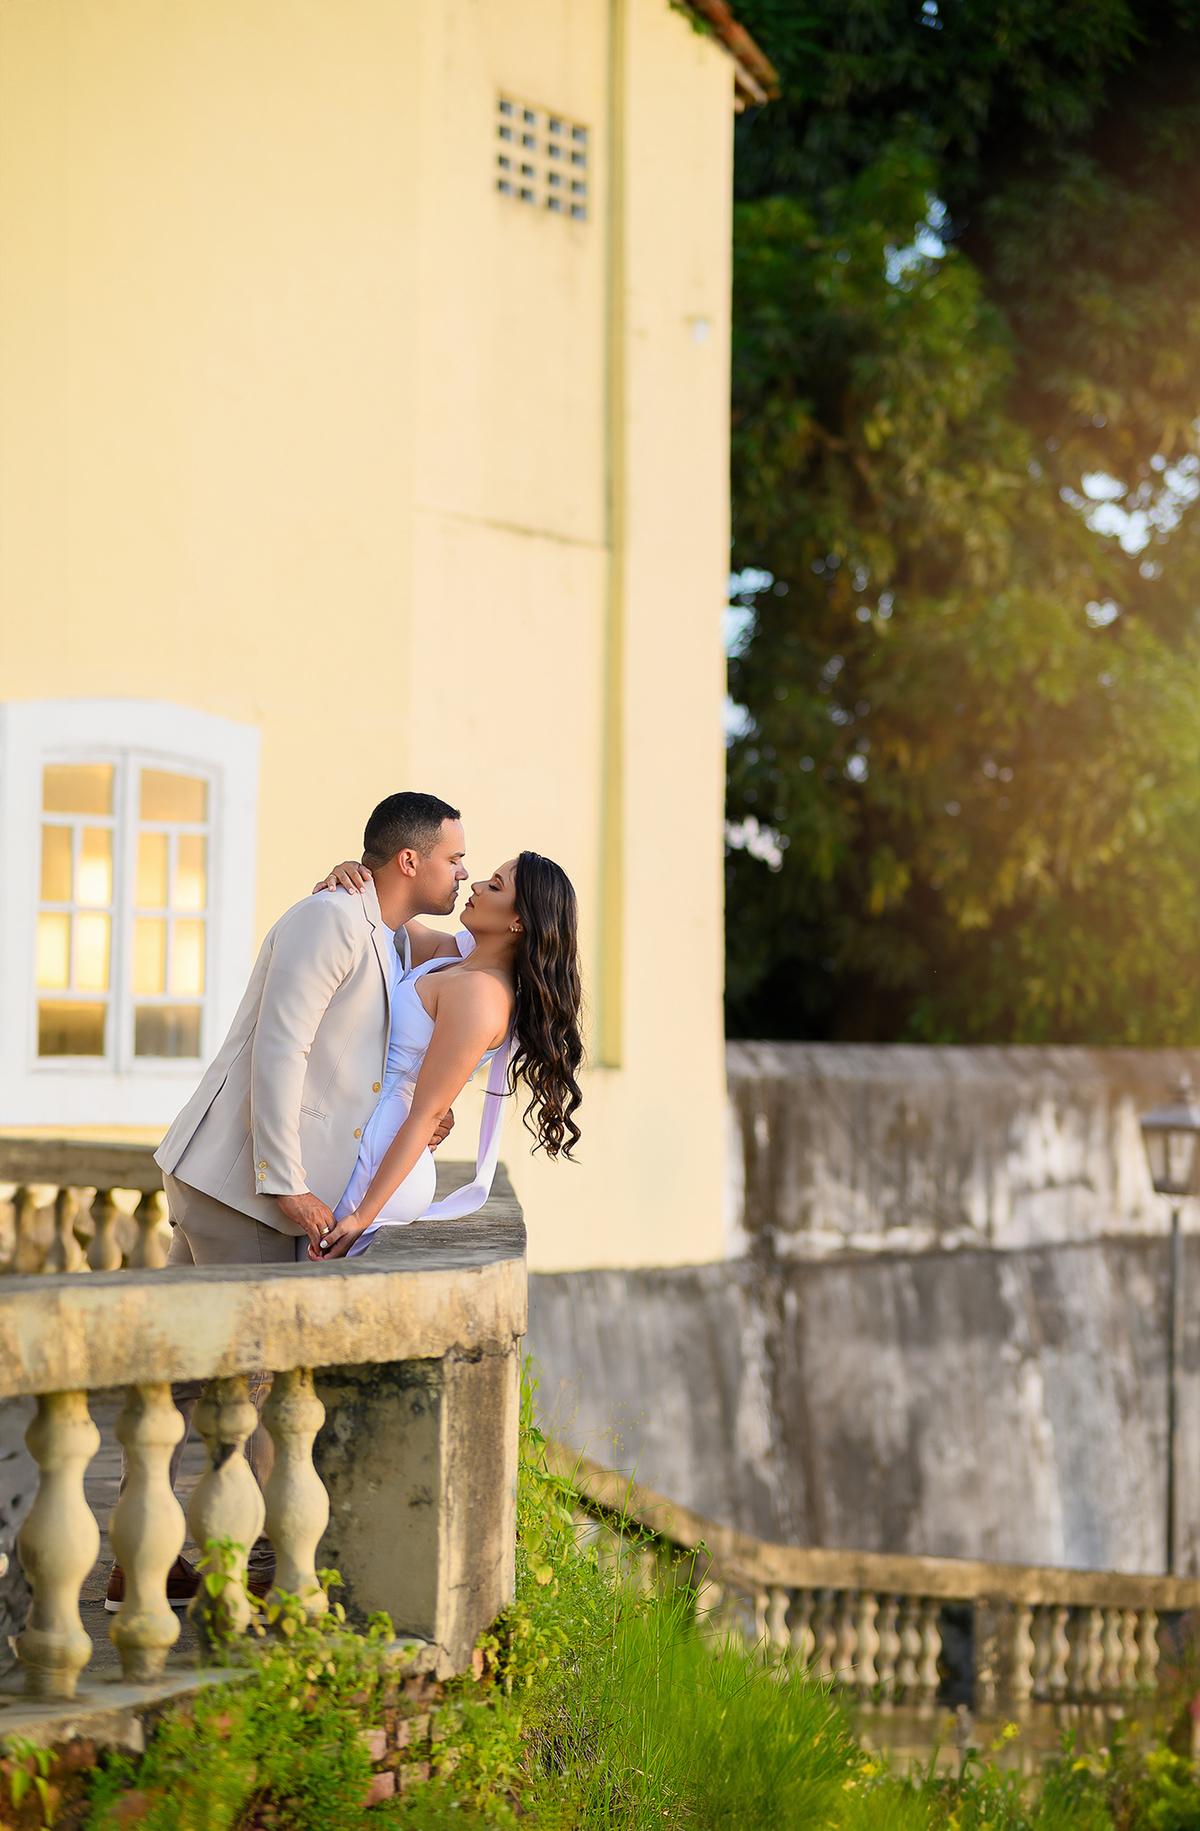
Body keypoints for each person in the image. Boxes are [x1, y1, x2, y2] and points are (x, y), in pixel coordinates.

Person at [107, 791, 466, 1612]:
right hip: (243, 1185)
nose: (463, 872)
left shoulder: (377, 930)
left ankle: (146, 1554)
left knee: (176, 1375)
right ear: (408, 859)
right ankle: (247, 1564)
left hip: (225, 1179)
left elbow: (356, 1062)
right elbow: (282, 1046)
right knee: (250, 1382)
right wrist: (286, 1182)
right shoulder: (332, 918)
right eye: (454, 858)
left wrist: (420, 1115)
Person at [309, 849, 583, 1259]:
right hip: (365, 1139)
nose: (473, 885)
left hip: (376, 1164)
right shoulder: (459, 960)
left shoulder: (481, 994)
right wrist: (354, 876)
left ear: (519, 921)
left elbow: (428, 1113)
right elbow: (388, 912)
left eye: (494, 886)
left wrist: (363, 1215)